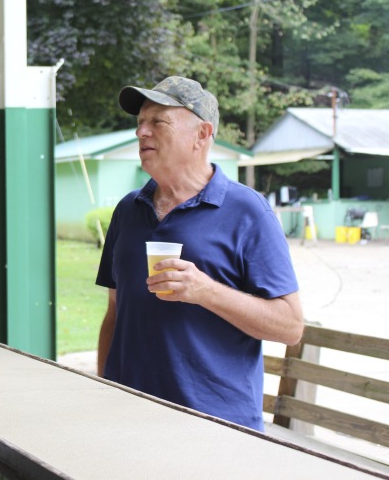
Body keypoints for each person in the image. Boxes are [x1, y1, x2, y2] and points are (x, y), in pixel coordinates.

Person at [95, 76, 303, 431]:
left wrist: (206, 292)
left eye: (157, 121)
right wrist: (105, 388)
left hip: (217, 425)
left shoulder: (247, 211)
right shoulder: (128, 210)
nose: (141, 132)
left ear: (202, 135)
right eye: (139, 122)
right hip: (130, 418)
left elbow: (290, 326)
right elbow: (115, 312)